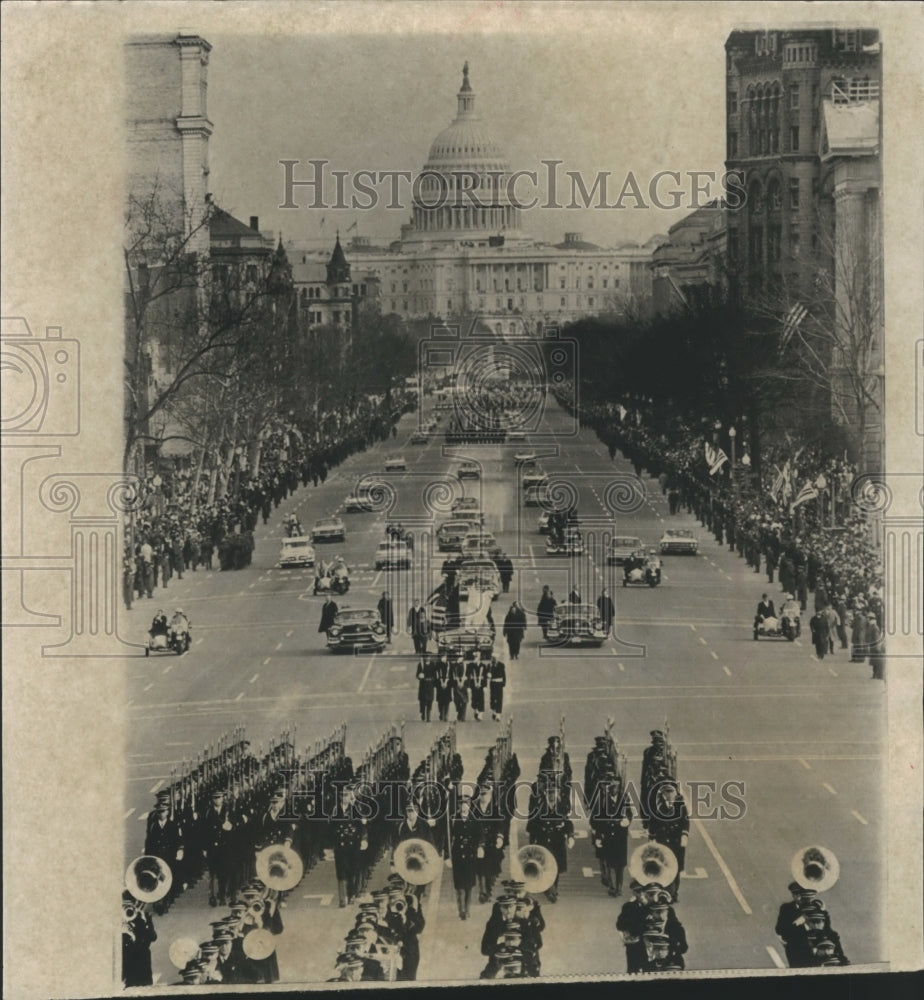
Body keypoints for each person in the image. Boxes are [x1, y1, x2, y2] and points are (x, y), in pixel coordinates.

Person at [643, 780, 689, 902]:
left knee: (676, 868)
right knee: (664, 866)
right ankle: (666, 891)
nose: (669, 795)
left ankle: (675, 893)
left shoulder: (680, 805)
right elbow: (653, 823)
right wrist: (652, 837)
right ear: (663, 794)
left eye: (671, 792)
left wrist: (684, 835)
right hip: (663, 841)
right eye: (666, 792)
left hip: (676, 842)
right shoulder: (659, 807)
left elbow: (685, 821)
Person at [446, 795, 481, 919]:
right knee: (460, 887)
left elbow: (479, 835)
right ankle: (461, 910)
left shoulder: (474, 819)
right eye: (461, 804)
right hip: (458, 857)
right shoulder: (453, 818)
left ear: (469, 805)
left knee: (469, 887)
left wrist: (480, 847)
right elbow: (447, 838)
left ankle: (467, 909)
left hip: (471, 856)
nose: (463, 806)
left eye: (465, 804)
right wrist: (447, 856)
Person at [122, 893, 156, 987]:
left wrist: (148, 920)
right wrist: (148, 920)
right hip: (134, 973)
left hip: (139, 973)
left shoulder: (141, 935)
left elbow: (153, 937)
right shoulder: (129, 934)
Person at [466, 655, 489, 721]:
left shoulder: (483, 666)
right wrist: (468, 687)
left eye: (476, 658)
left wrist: (485, 686)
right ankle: (475, 709)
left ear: (479, 659)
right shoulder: (470, 666)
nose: (475, 659)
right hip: (473, 685)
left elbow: (485, 677)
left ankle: (480, 714)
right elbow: (468, 676)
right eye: (474, 658)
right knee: (474, 699)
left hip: (481, 685)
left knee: (481, 699)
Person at [416, 656, 436, 721]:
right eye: (426, 657)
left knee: (430, 701)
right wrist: (420, 676)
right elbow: (417, 675)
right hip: (423, 685)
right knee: (423, 701)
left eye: (429, 657)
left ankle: (428, 717)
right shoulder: (421, 664)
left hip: (430, 684)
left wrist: (434, 682)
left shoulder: (433, 664)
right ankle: (423, 713)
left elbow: (435, 674)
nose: (427, 658)